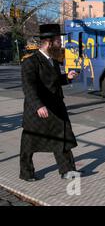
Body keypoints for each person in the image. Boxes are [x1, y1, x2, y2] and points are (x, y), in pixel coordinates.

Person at [19, 24, 80, 182]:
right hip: (38, 110)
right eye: (59, 41)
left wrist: (67, 77)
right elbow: (29, 88)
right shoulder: (30, 63)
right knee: (29, 142)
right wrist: (38, 105)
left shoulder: (52, 61)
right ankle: (26, 173)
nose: (61, 43)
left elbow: (52, 81)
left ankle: (67, 170)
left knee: (63, 137)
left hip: (56, 106)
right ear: (48, 42)